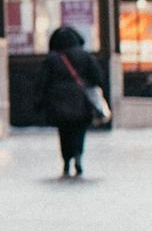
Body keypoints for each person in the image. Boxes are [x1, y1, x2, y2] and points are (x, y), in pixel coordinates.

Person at [43, 21, 108, 178]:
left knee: (64, 132)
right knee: (79, 131)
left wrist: (41, 101)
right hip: (81, 102)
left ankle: (66, 160)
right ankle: (78, 156)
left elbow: (42, 81)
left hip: (58, 102)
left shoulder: (52, 59)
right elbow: (98, 77)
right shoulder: (85, 56)